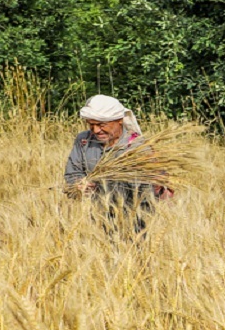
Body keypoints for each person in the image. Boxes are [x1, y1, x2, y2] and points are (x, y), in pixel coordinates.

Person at [63, 94, 171, 234]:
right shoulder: (83, 140)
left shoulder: (137, 148)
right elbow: (73, 173)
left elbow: (146, 193)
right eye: (91, 125)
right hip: (93, 218)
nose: (96, 130)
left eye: (102, 125)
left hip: (136, 221)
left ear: (119, 120)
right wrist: (79, 184)